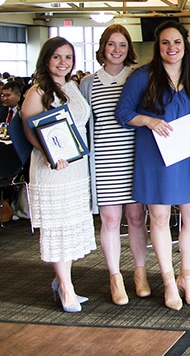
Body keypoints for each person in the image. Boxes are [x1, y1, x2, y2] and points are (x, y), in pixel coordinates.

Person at [116, 21, 190, 311]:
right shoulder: (142, 76)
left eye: (177, 42)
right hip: (156, 156)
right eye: (165, 43)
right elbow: (124, 113)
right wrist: (149, 120)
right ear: (158, 46)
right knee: (159, 218)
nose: (171, 48)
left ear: (185, 45)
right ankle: (168, 281)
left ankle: (187, 278)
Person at [21, 37, 96, 312]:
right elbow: (31, 130)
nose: (63, 62)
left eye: (68, 57)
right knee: (58, 227)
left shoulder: (72, 86)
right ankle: (66, 288)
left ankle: (61, 280)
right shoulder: (37, 91)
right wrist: (52, 156)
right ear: (46, 59)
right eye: (57, 57)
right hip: (52, 167)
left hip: (75, 167)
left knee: (71, 224)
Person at [79, 24, 150, 306]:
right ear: (102, 48)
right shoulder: (88, 83)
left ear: (128, 49)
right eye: (111, 44)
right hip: (105, 161)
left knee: (136, 218)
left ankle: (140, 273)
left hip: (134, 159)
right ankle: (114, 276)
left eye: (122, 45)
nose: (117, 50)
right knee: (109, 220)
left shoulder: (137, 78)